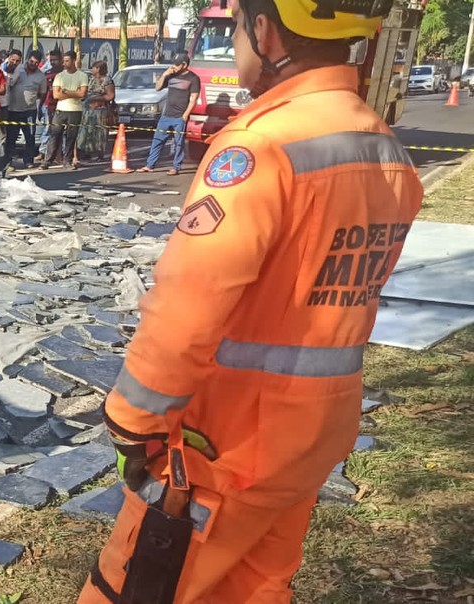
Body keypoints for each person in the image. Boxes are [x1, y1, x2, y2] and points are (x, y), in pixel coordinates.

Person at [79, 0, 423, 602]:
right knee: (255, 587)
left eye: (238, 27)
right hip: (315, 430)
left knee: (135, 587)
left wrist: (132, 419)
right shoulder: (381, 146)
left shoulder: (261, 146)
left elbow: (191, 299)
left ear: (264, 31)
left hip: (229, 441)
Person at [137, 52, 200, 176]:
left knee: (178, 143)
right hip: (166, 115)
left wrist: (185, 115)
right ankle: (150, 165)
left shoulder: (193, 78)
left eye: (177, 65)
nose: (174, 67)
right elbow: (158, 87)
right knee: (157, 140)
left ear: (184, 65)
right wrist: (165, 74)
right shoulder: (171, 75)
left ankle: (176, 167)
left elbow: (194, 98)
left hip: (180, 116)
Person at [40, 50, 87, 171]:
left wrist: (66, 91)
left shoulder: (82, 76)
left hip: (75, 110)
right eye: (64, 61)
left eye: (67, 61)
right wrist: (74, 93)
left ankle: (67, 161)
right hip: (61, 109)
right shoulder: (60, 76)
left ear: (73, 61)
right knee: (54, 135)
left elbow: (82, 94)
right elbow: (56, 95)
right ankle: (47, 160)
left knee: (71, 137)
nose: (64, 64)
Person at [5, 50, 48, 169]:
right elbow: (7, 79)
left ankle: (28, 160)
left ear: (39, 63)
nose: (33, 64)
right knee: (11, 138)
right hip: (13, 109)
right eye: (31, 61)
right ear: (27, 59)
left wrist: (39, 107)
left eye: (36, 62)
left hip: (30, 111)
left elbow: (43, 93)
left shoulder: (41, 76)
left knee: (30, 136)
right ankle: (8, 161)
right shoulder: (18, 69)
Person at [76, 60, 115, 163]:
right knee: (87, 131)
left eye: (93, 68)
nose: (91, 70)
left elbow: (110, 96)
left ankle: (100, 154)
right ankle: (86, 152)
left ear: (98, 69)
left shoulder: (107, 80)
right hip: (88, 110)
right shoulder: (92, 80)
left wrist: (96, 98)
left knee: (99, 133)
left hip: (100, 111)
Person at [37, 49, 64, 162]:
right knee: (48, 129)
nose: (53, 62)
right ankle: (43, 152)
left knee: (62, 130)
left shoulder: (65, 74)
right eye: (51, 60)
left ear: (61, 60)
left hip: (62, 105)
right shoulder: (47, 73)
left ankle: (60, 153)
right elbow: (42, 91)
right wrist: (40, 106)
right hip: (48, 105)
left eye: (55, 60)